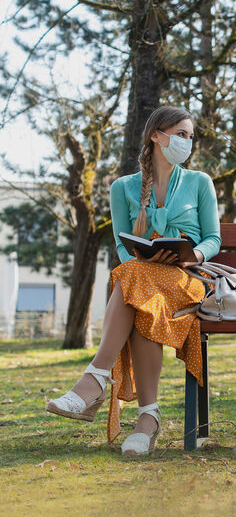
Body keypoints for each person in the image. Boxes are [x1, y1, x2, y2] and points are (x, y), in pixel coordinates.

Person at [46, 106, 221, 456]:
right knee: (138, 287)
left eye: (189, 136)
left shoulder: (200, 182)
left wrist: (193, 255)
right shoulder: (123, 187)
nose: (186, 142)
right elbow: (123, 247)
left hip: (187, 279)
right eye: (180, 134)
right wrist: (143, 260)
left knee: (132, 282)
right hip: (143, 278)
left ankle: (96, 381)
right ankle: (147, 419)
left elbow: (213, 239)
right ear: (156, 136)